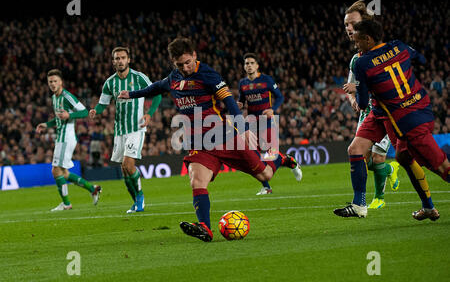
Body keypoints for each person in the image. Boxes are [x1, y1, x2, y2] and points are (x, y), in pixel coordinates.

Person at [118, 37, 301, 242]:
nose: (185, 67)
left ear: (194, 55)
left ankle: (284, 160)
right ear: (173, 63)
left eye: (188, 62)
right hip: (198, 143)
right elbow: (155, 88)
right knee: (197, 181)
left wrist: (242, 129)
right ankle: (205, 227)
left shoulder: (208, 75)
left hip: (225, 137)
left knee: (265, 175)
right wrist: (131, 94)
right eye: (180, 64)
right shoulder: (173, 78)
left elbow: (229, 100)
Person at [335, 19, 449, 220]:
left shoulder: (361, 62)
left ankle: (427, 206)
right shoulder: (399, 45)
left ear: (368, 38)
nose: (355, 43)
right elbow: (420, 59)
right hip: (401, 108)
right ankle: (360, 205)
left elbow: (361, 104)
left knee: (442, 168)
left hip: (408, 118)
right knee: (360, 150)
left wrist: (360, 88)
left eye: (358, 40)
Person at [342, 0, 400, 210]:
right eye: (346, 25)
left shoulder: (383, 51)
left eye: (352, 23)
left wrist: (358, 89)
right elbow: (350, 88)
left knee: (380, 157)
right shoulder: (356, 59)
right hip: (366, 113)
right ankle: (364, 200)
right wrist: (354, 99)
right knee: (363, 159)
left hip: (386, 110)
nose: (348, 28)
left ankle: (378, 198)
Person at [89, 47, 162, 213]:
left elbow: (157, 94)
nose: (120, 61)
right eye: (117, 58)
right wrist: (96, 111)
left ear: (128, 60)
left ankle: (140, 196)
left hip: (136, 127)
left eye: (123, 58)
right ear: (113, 61)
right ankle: (135, 202)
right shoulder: (110, 82)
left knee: (127, 164)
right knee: (124, 170)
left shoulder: (139, 77)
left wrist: (149, 114)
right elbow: (103, 104)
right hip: (119, 130)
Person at [36, 69, 102, 211]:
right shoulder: (54, 98)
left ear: (61, 82)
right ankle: (93, 188)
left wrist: (69, 115)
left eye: (55, 81)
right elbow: (59, 118)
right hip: (61, 137)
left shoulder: (67, 96)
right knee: (63, 173)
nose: (52, 84)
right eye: (50, 82)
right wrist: (46, 125)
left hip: (67, 137)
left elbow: (85, 111)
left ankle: (66, 204)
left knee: (55, 171)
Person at [238, 52, 302, 195]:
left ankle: (290, 161)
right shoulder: (242, 83)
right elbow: (242, 100)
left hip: (267, 121)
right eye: (246, 63)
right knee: (255, 157)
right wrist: (239, 104)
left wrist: (272, 109)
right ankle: (267, 187)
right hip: (252, 123)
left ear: (257, 65)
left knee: (269, 154)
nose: (249, 66)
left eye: (251, 63)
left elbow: (279, 96)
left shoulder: (266, 80)